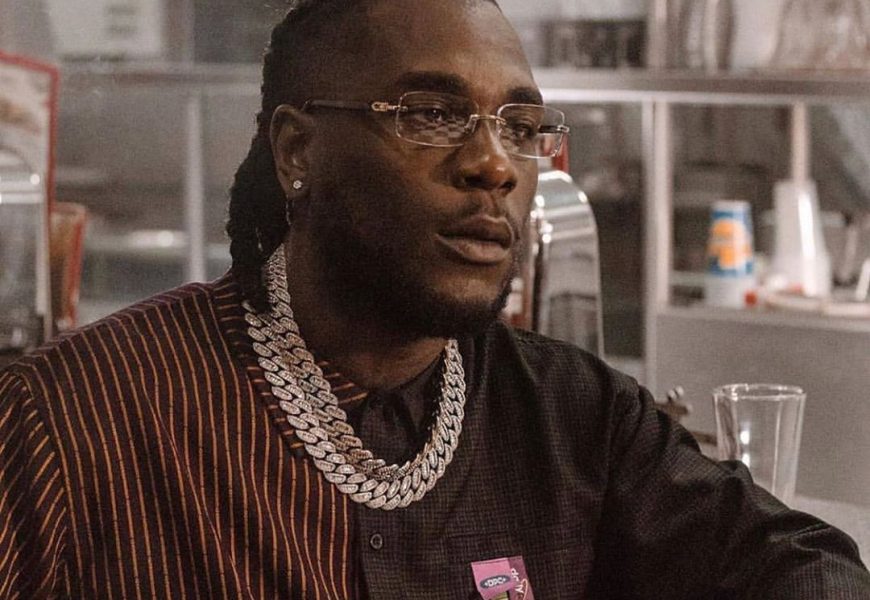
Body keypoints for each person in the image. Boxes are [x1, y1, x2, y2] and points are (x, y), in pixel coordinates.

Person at [0, 0, 868, 597]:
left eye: (521, 128)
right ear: (298, 152)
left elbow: (806, 567)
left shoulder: (573, 415)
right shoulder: (75, 421)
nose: (494, 165)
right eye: (429, 114)